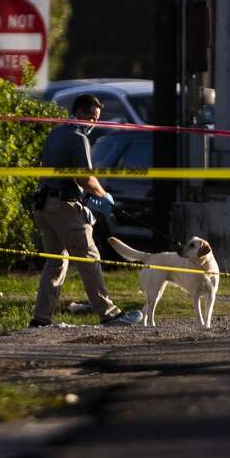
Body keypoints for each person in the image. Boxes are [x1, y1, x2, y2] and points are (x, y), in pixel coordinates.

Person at [29, 94, 141, 328]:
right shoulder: (78, 137)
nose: (94, 123)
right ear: (79, 112)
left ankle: (41, 319)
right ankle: (109, 314)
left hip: (44, 205)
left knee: (56, 262)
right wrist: (103, 195)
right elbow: (85, 177)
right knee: (89, 258)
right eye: (92, 117)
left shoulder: (56, 133)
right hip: (63, 207)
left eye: (97, 119)